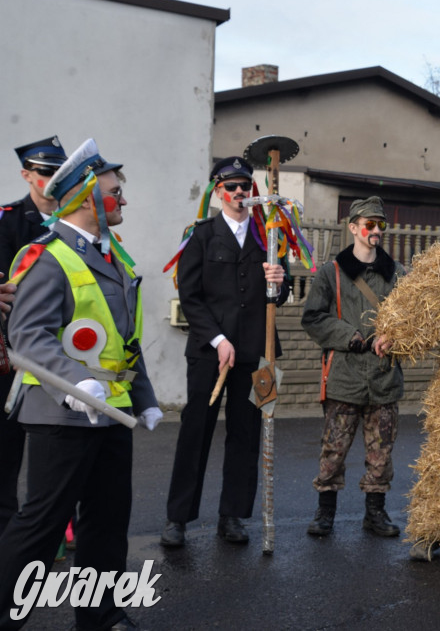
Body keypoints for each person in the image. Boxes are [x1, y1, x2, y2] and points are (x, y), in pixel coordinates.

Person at [0, 138, 162, 630]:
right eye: (115, 193)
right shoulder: (45, 258)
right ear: (86, 198)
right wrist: (74, 384)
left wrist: (146, 399)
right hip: (60, 412)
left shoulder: (119, 259)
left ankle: (101, 615)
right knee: (41, 525)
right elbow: (26, 338)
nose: (123, 200)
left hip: (112, 410)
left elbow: (124, 342)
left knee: (108, 521)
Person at [161, 156, 288, 548]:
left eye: (245, 186)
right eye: (231, 186)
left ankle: (232, 515)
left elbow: (279, 296)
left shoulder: (269, 237)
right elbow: (191, 296)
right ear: (217, 191)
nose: (239, 193)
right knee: (195, 433)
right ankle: (178, 518)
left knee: (247, 435)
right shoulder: (199, 235)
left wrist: (279, 280)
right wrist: (219, 340)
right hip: (209, 352)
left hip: (258, 352)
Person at [301, 196, 404, 538]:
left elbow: (415, 319)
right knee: (333, 449)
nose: (375, 231)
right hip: (344, 376)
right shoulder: (331, 273)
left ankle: (375, 514)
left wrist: (396, 334)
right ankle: (325, 512)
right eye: (369, 225)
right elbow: (313, 317)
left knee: (381, 454)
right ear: (353, 228)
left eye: (380, 225)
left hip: (383, 378)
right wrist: (351, 336)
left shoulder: (398, 275)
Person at [0, 135, 66, 537]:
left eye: (59, 172)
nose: (52, 179)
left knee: (59, 449)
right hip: (14, 352)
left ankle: (59, 527)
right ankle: (8, 530)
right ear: (27, 174)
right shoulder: (7, 220)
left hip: (63, 351)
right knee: (7, 449)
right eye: (45, 172)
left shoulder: (74, 220)